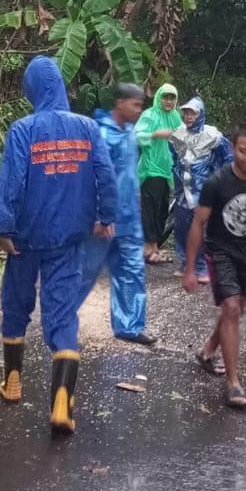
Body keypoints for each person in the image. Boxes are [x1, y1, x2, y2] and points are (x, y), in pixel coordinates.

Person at [0, 56, 116, 435]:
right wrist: (106, 217)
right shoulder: (88, 128)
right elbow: (105, 175)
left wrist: (4, 227)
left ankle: (13, 383)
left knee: (16, 304)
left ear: (32, 89)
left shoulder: (23, 129)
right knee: (61, 316)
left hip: (26, 238)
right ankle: (62, 401)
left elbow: (11, 182)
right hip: (69, 237)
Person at [183, 128, 246, 410]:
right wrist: (190, 268)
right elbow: (198, 224)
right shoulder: (217, 182)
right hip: (220, 251)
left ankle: (206, 352)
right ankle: (233, 383)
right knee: (231, 309)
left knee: (235, 308)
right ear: (233, 148)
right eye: (243, 151)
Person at [76, 83, 157, 345]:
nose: (138, 111)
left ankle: (130, 326)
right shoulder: (100, 134)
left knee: (132, 270)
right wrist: (100, 215)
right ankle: (60, 317)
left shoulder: (131, 133)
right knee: (85, 271)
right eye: (135, 105)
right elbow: (91, 178)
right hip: (103, 220)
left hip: (130, 219)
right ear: (120, 103)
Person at [170, 96, 231, 284]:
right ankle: (185, 261)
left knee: (202, 229)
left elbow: (228, 157)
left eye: (192, 113)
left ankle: (203, 266)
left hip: (202, 190)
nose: (188, 116)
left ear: (200, 114)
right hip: (182, 190)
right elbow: (174, 155)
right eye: (186, 113)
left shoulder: (211, 136)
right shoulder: (178, 134)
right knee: (181, 227)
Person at [134, 83, 181, 264]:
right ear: (159, 97)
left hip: (167, 171)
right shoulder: (149, 115)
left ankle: (154, 248)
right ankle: (147, 248)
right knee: (150, 210)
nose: (168, 101)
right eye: (165, 97)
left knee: (162, 210)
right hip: (150, 169)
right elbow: (136, 136)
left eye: (172, 98)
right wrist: (155, 134)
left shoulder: (175, 116)